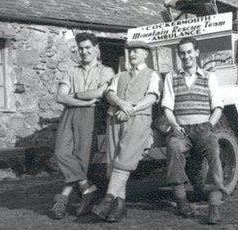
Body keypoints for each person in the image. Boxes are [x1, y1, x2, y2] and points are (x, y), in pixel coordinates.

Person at [91, 40, 161, 222]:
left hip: (139, 120)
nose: (132, 55)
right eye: (130, 52)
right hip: (114, 120)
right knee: (113, 162)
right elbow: (110, 93)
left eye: (137, 52)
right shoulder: (119, 75)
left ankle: (108, 199)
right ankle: (119, 206)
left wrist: (131, 109)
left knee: (125, 160)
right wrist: (121, 103)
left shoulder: (152, 75)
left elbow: (152, 97)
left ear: (145, 54)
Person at [161, 37, 227, 225]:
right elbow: (167, 107)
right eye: (182, 53)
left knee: (214, 151)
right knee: (173, 147)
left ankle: (214, 206)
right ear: (178, 55)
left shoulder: (209, 77)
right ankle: (181, 201)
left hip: (203, 127)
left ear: (196, 52)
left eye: (189, 52)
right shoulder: (171, 77)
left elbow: (218, 107)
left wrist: (209, 125)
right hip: (181, 129)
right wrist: (174, 125)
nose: (186, 56)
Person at [52, 32, 114, 219]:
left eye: (88, 48)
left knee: (81, 157)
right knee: (60, 153)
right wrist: (85, 100)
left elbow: (101, 92)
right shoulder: (71, 71)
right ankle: (87, 187)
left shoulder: (106, 71)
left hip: (91, 116)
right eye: (81, 48)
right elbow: (60, 97)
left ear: (96, 49)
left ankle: (62, 199)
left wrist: (76, 95)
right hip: (71, 113)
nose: (84, 51)